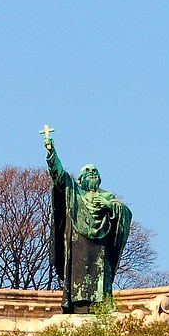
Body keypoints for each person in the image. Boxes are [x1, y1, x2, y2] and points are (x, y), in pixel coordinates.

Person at [43, 130, 132, 314]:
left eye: (94, 171)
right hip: (78, 244)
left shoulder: (108, 197)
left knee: (102, 274)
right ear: (80, 179)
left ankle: (103, 305)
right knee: (78, 274)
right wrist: (52, 152)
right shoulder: (74, 192)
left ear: (98, 178)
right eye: (87, 171)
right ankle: (78, 306)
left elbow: (124, 212)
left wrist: (108, 206)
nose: (91, 173)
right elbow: (59, 175)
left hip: (101, 246)